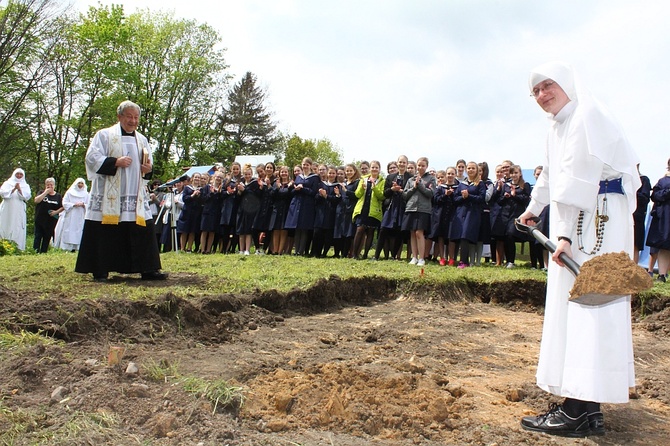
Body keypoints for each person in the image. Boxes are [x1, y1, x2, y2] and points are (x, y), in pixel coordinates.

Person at [518, 62, 640, 437]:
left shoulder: (585, 114)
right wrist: (533, 210)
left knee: (589, 306)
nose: (542, 95)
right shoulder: (559, 124)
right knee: (584, 308)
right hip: (586, 217)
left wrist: (566, 235)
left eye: (548, 85)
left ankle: (576, 410)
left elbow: (577, 179)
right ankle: (587, 408)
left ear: (567, 83)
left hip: (595, 218)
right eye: (535, 90)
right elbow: (552, 175)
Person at [75, 100, 167, 282]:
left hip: (134, 192)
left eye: (136, 117)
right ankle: (100, 269)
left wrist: (148, 170)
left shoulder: (142, 139)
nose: (133, 121)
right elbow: (92, 158)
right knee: (105, 231)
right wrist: (115, 162)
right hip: (109, 193)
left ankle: (148, 268)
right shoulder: (104, 135)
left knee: (141, 229)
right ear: (119, 117)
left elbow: (149, 165)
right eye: (129, 117)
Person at [645, 159, 670, 282]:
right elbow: (655, 196)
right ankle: (661, 274)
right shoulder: (663, 181)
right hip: (665, 219)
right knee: (664, 247)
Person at [53, 178, 89, 252]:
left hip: (81, 214)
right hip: (71, 213)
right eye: (79, 183)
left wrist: (83, 204)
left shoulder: (86, 194)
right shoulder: (70, 193)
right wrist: (73, 205)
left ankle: (77, 247)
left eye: (82, 183)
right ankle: (67, 247)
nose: (80, 185)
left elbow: (89, 204)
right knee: (69, 230)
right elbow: (64, 203)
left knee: (79, 230)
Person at [0, 168, 32, 250]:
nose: (19, 176)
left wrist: (19, 189)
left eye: (21, 174)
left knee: (17, 226)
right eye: (17, 174)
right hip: (7, 209)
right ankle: (4, 246)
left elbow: (27, 197)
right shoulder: (7, 183)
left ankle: (18, 248)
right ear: (14, 174)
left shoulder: (26, 185)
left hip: (19, 209)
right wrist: (13, 188)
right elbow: (3, 193)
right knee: (5, 225)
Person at [33, 177, 63, 253]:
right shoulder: (41, 192)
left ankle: (44, 252)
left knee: (47, 237)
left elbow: (63, 206)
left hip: (51, 220)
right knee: (38, 236)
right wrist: (45, 192)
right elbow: (36, 200)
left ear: (54, 186)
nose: (50, 187)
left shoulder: (58, 196)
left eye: (51, 185)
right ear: (45, 186)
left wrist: (56, 212)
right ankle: (35, 251)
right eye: (48, 185)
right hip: (40, 219)